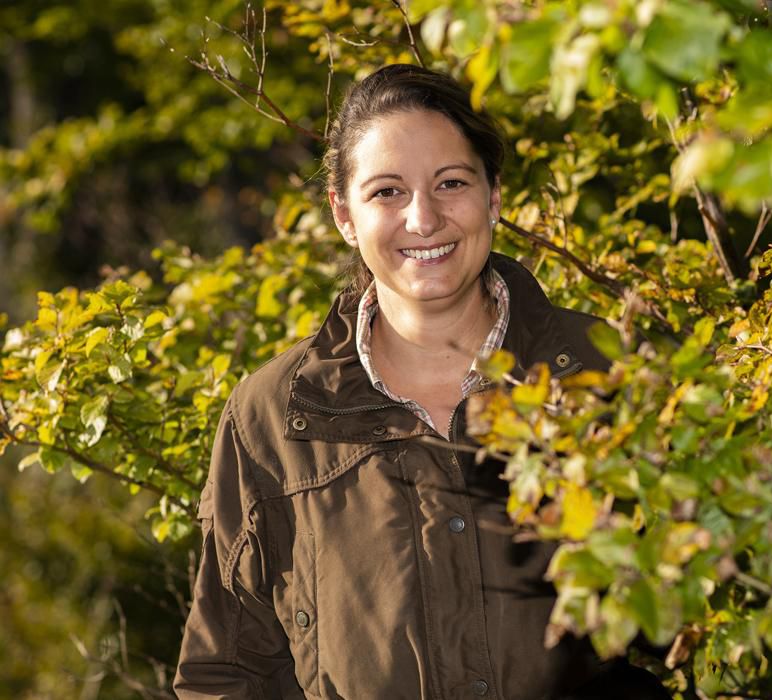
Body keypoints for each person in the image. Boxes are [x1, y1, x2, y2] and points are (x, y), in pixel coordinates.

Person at [174, 64, 666, 699]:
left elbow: (714, 608)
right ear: (343, 214)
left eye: (451, 182)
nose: (424, 218)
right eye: (387, 192)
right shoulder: (271, 417)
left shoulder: (605, 366)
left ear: (493, 196)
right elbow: (227, 674)